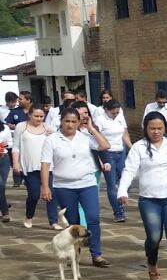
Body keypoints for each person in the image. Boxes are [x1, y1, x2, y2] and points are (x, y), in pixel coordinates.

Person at [116, 113, 167, 280]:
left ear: (165, 128)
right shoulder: (139, 147)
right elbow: (129, 171)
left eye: (159, 128)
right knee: (154, 237)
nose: (156, 132)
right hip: (149, 199)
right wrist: (122, 191)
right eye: (152, 128)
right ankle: (152, 262)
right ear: (146, 128)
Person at [41, 107, 110, 266]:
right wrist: (45, 186)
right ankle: (75, 254)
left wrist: (91, 129)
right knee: (73, 222)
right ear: (61, 121)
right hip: (63, 186)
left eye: (74, 121)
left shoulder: (85, 137)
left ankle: (96, 253)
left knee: (93, 218)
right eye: (67, 121)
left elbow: (105, 146)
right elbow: (45, 164)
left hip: (87, 183)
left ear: (79, 122)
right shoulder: (52, 139)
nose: (70, 125)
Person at [12, 107, 58, 228]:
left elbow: (57, 142)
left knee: (51, 193)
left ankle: (53, 221)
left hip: (47, 165)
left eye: (41, 116)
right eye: (36, 116)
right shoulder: (21, 127)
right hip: (30, 166)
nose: (39, 119)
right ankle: (29, 216)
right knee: (34, 195)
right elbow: (16, 146)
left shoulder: (48, 127)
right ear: (30, 115)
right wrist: (16, 163)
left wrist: (53, 134)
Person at [93, 99, 132, 223]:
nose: (115, 115)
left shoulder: (120, 116)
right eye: (112, 113)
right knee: (112, 184)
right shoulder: (100, 120)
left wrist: (131, 147)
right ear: (106, 110)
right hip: (107, 153)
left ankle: (120, 200)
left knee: (125, 179)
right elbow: (96, 136)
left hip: (121, 152)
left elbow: (124, 133)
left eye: (117, 112)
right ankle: (118, 212)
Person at [0, 121, 10, 221]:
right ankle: (5, 211)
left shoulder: (5, 127)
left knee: (2, 187)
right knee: (0, 185)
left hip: (4, 158)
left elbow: (11, 142)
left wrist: (6, 144)